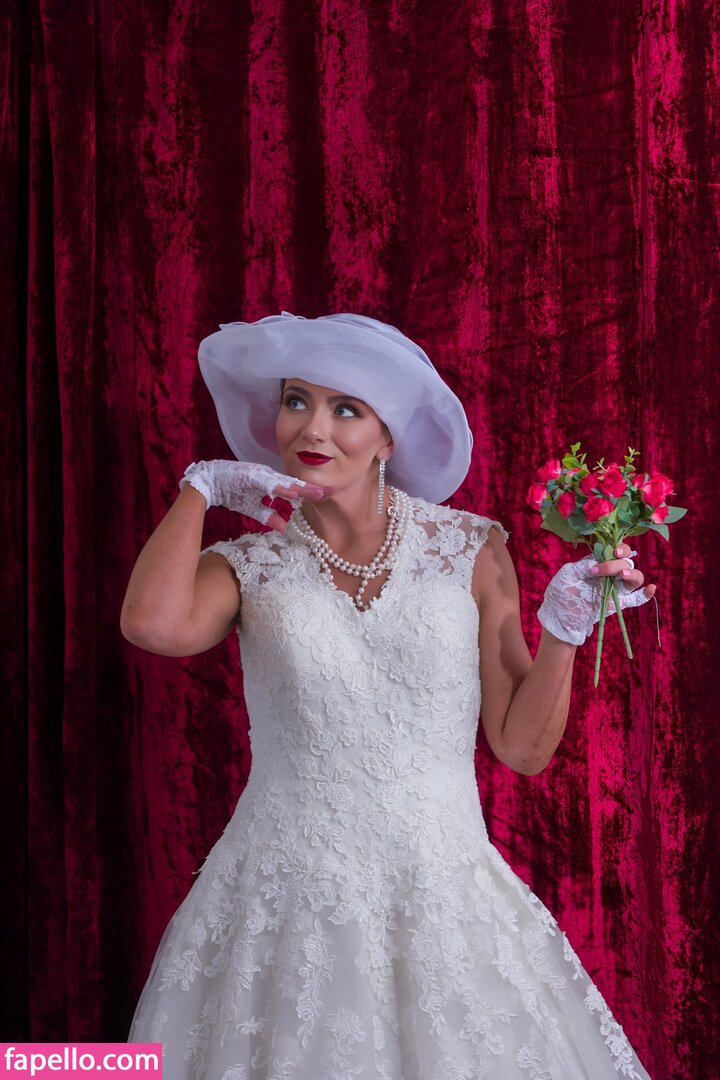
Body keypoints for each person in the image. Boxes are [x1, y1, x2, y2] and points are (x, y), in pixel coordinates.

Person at [122, 312, 654, 1079]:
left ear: (388, 438)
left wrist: (563, 631)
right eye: (297, 400)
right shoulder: (248, 564)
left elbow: (522, 749)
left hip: (442, 892)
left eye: (346, 408)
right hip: (281, 898)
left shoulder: (471, 547)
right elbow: (151, 624)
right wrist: (200, 491)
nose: (313, 427)